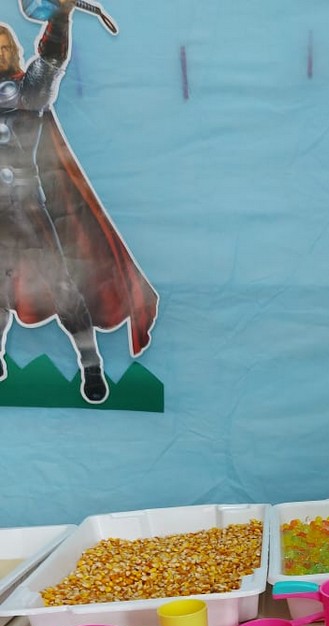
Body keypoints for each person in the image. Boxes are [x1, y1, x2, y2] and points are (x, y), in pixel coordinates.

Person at [0, 1, 158, 404]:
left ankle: (90, 364)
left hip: (28, 211)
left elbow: (49, 64)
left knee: (63, 289)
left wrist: (61, 17)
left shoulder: (25, 93)